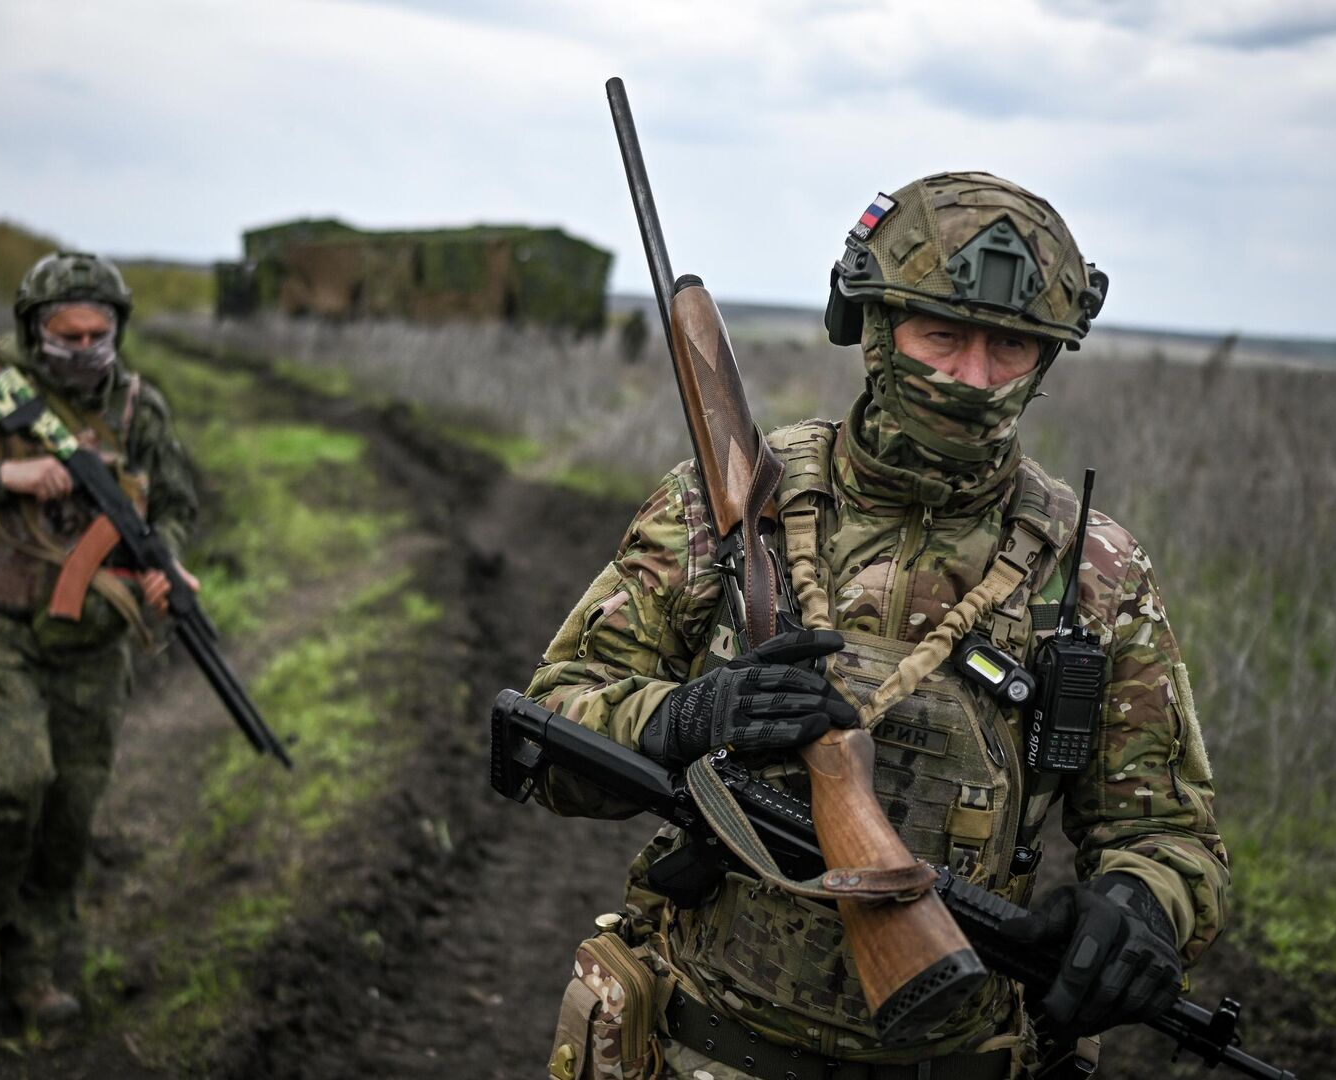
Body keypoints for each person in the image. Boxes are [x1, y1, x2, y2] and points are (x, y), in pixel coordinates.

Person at [525, 173, 1230, 1078]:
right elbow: (552, 729)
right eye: (942, 335)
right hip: (706, 1046)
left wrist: (1141, 906)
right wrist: (681, 721)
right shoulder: (728, 507)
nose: (972, 377)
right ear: (872, 326)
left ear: (1048, 357)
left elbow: (1171, 836)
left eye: (1010, 346)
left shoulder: (1093, 573)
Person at [0, 252, 199, 1025]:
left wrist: (165, 562)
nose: (88, 349)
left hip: (92, 637)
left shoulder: (138, 409)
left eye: (101, 334)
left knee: (70, 809)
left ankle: (33, 966)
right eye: (69, 336)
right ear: (35, 331)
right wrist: (7, 480)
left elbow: (175, 504)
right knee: (13, 779)